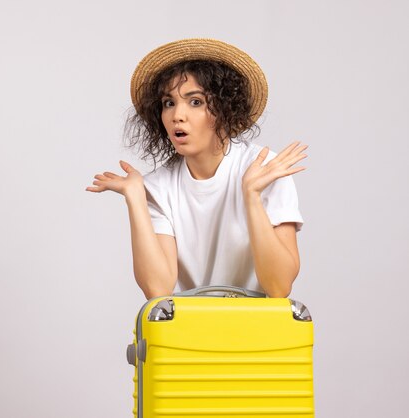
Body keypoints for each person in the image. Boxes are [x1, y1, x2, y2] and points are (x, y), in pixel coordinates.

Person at [86, 39, 306, 299]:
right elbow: (157, 289)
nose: (177, 115)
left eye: (195, 102)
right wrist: (136, 198)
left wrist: (251, 195)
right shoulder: (159, 187)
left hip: (258, 330)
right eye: (169, 103)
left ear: (225, 109)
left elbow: (279, 287)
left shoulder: (265, 169)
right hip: (191, 331)